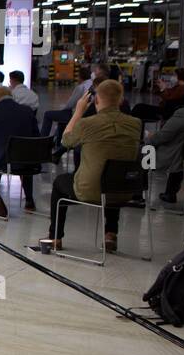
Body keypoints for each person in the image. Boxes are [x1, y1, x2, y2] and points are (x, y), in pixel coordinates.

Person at [41, 79, 142, 253]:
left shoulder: (87, 124)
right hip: (125, 189)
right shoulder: (135, 124)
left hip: (91, 190)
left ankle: (55, 237)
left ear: (96, 100)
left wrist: (78, 112)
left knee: (59, 183)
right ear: (121, 100)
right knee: (113, 175)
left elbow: (65, 140)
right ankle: (110, 233)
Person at [0, 85, 39, 212]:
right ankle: (29, 200)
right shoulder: (27, 111)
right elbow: (36, 135)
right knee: (24, 158)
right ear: (11, 96)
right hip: (25, 161)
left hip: (3, 161)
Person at [151, 91, 184, 204]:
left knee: (178, 151)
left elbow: (164, 135)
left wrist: (149, 140)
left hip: (183, 160)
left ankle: (170, 193)